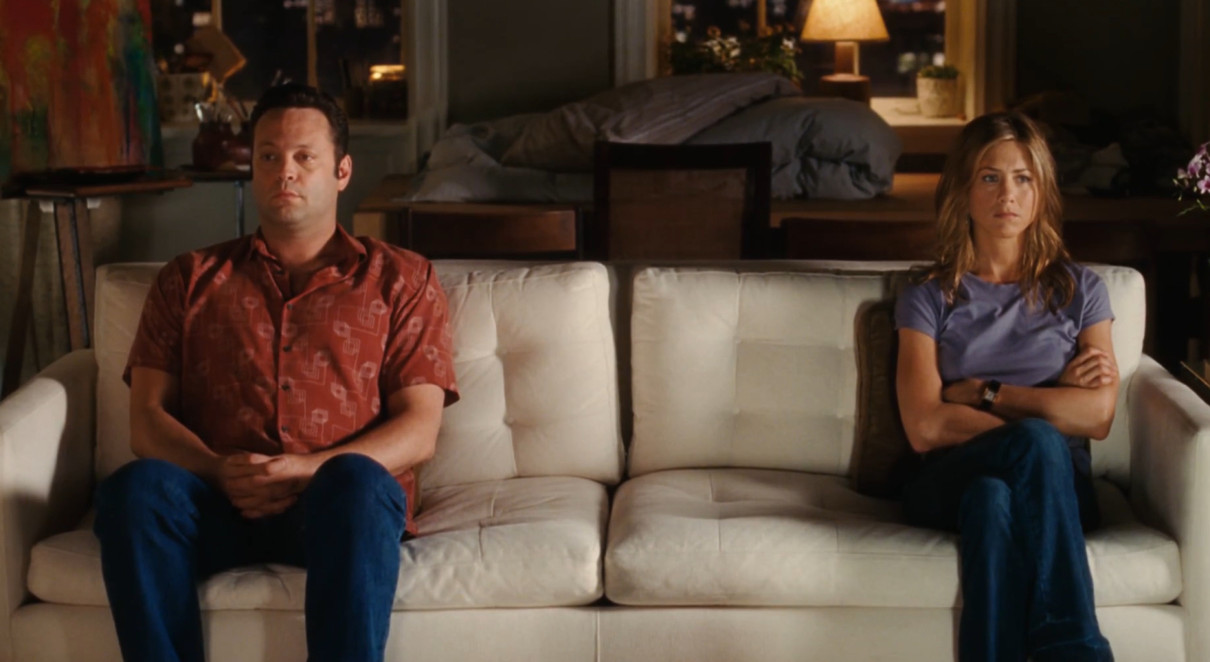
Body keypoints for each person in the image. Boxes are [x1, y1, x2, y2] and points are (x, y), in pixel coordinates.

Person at [93, 83, 458, 662]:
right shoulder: (188, 278)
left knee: (359, 482)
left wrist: (309, 469)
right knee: (133, 491)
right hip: (217, 501)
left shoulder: (402, 279)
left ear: (341, 171)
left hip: (336, 510)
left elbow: (420, 430)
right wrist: (218, 470)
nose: (284, 171)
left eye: (304, 156)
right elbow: (147, 421)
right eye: (268, 155)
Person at [894, 111, 1117, 662]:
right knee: (1039, 441)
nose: (1007, 195)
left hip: (1061, 491)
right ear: (962, 189)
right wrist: (1051, 404)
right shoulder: (928, 296)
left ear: (1041, 190)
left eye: (1023, 178)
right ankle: (1074, 649)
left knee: (993, 499)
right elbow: (925, 427)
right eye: (990, 177)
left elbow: (1098, 417)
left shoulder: (1081, 290)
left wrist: (985, 392)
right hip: (945, 478)